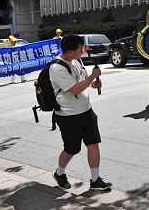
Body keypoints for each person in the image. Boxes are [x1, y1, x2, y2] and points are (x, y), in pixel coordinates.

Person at [50, 34, 112, 190]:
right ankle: (59, 173)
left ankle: (95, 180)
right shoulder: (57, 68)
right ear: (70, 51)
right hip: (68, 115)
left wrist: (94, 84)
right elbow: (75, 89)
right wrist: (93, 76)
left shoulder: (77, 61)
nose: (83, 50)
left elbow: (84, 82)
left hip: (86, 110)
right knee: (72, 149)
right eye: (80, 48)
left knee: (93, 144)